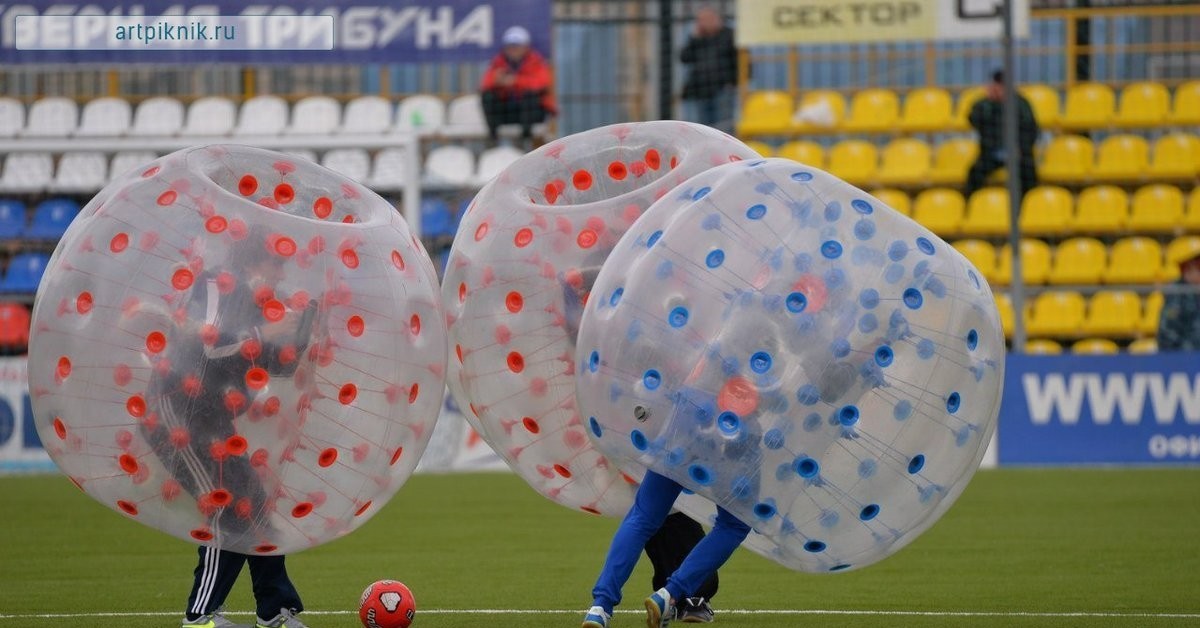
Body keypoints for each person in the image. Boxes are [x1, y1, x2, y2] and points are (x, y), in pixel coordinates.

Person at [141, 233, 317, 628]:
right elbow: (207, 344)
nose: (284, 272)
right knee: (228, 506)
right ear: (259, 261)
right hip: (177, 411)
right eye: (279, 263)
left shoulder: (259, 305)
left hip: (212, 417)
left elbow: (273, 365)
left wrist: (298, 341)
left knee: (253, 502)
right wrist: (263, 334)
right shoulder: (216, 281)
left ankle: (275, 611)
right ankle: (200, 615)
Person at [563, 265, 719, 624]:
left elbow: (573, 305)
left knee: (651, 518)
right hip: (658, 440)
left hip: (642, 439)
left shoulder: (623, 337)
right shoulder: (627, 338)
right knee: (669, 519)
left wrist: (586, 278)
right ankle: (680, 595)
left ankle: (605, 604)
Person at [965, 69, 1040, 200]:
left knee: (1028, 173)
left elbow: (1031, 130)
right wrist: (989, 102)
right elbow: (973, 119)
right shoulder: (985, 104)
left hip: (1018, 153)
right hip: (991, 153)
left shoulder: (1021, 104)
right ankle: (971, 205)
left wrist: (1021, 149)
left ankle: (1027, 206)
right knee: (975, 172)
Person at [480, 25, 556, 146]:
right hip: (509, 111)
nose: (513, 49)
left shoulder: (536, 61)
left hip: (532, 113)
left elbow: (541, 84)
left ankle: (525, 139)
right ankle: (493, 138)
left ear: (526, 47)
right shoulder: (497, 62)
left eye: (517, 46)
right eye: (510, 46)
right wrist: (497, 81)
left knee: (530, 95)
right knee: (488, 96)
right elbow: (484, 85)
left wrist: (515, 81)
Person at [679, 6, 737, 133]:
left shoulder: (729, 35)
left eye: (707, 19)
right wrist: (694, 38)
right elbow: (684, 58)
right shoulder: (698, 38)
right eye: (700, 20)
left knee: (724, 127)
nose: (703, 23)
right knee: (703, 129)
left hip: (723, 88)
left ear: (717, 19)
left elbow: (740, 60)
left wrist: (732, 83)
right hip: (701, 89)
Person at [1158, 251, 1200, 351]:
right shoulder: (1176, 294)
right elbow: (1167, 334)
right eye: (1198, 269)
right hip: (1183, 357)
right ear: (1186, 271)